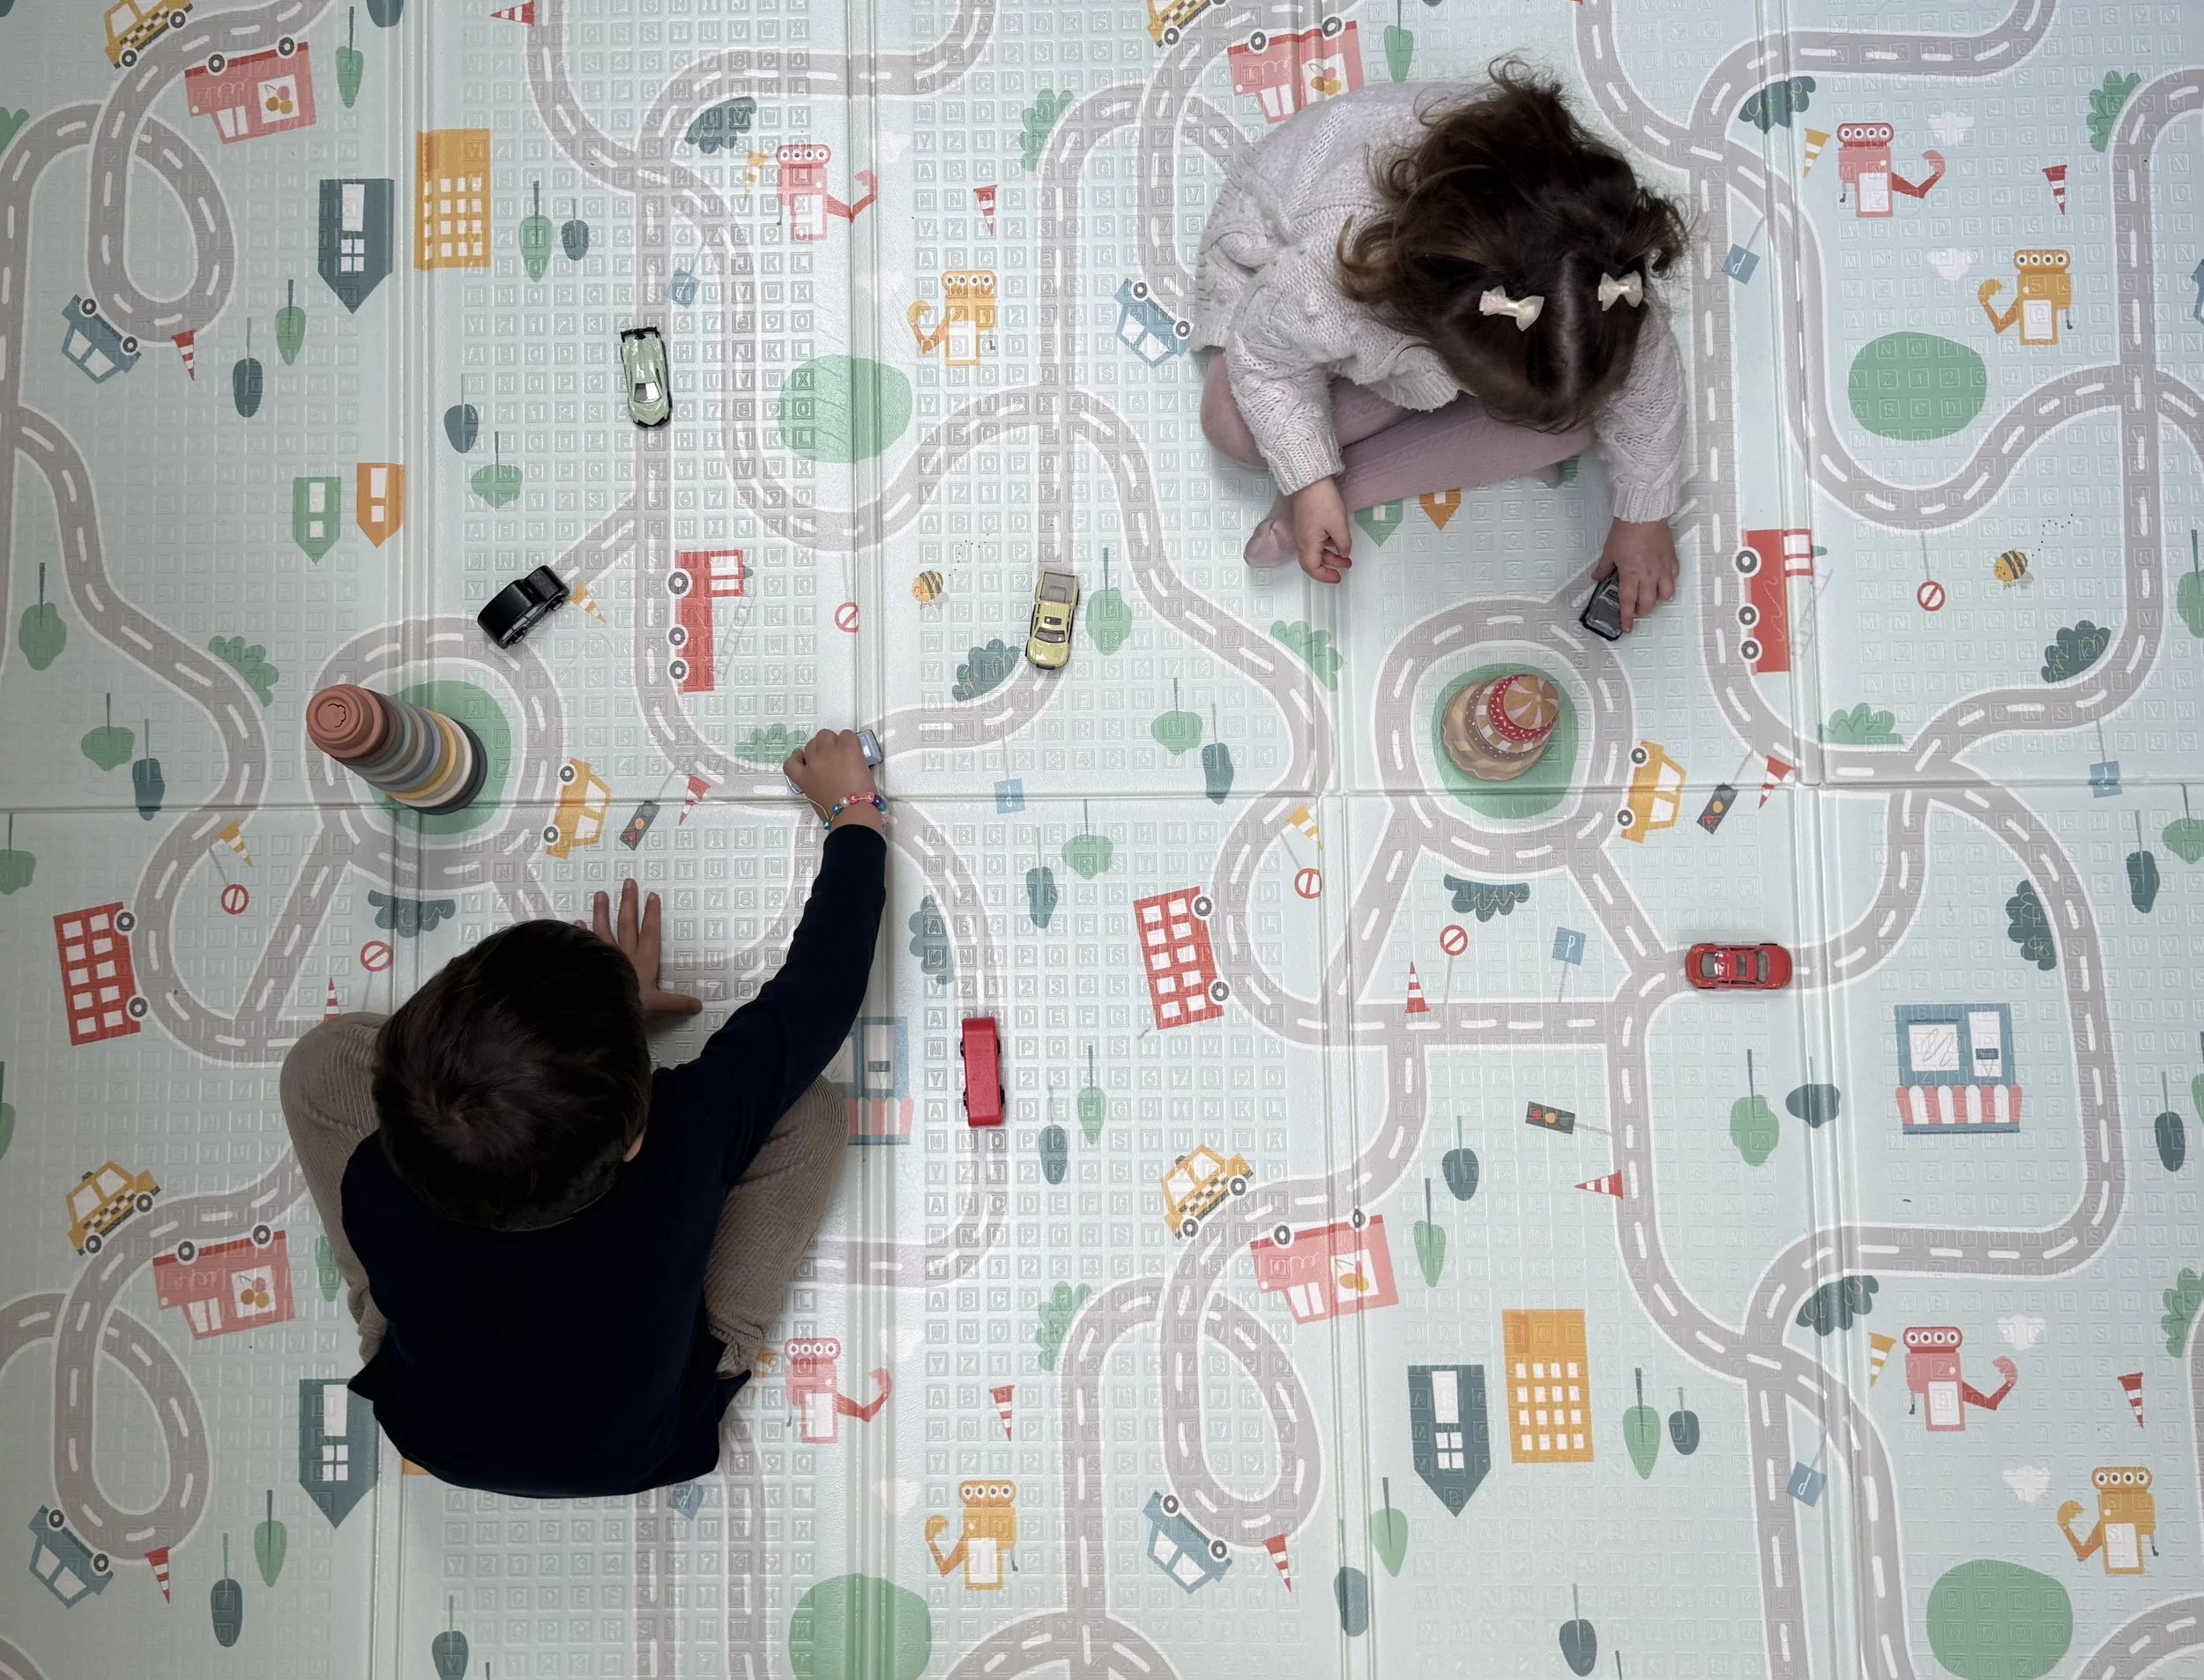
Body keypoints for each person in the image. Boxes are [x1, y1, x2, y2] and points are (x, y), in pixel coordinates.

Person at [279, 730, 889, 1498]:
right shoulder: (687, 1141)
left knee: (320, 1061)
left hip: (437, 1430)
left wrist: (585, 1061)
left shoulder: (378, 1176)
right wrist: (854, 810)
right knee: (814, 1109)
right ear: (633, 1141)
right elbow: (818, 998)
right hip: (645, 1441)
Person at [1193, 60, 1690, 632]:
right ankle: (1324, 483)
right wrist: (1308, 477)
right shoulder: (1335, 278)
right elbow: (1263, 355)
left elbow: (1650, 386)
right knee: (1233, 428)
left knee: (1581, 415)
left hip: (1457, 309)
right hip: (1294, 294)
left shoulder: (1599, 282)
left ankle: (1343, 488)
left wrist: (1643, 516)